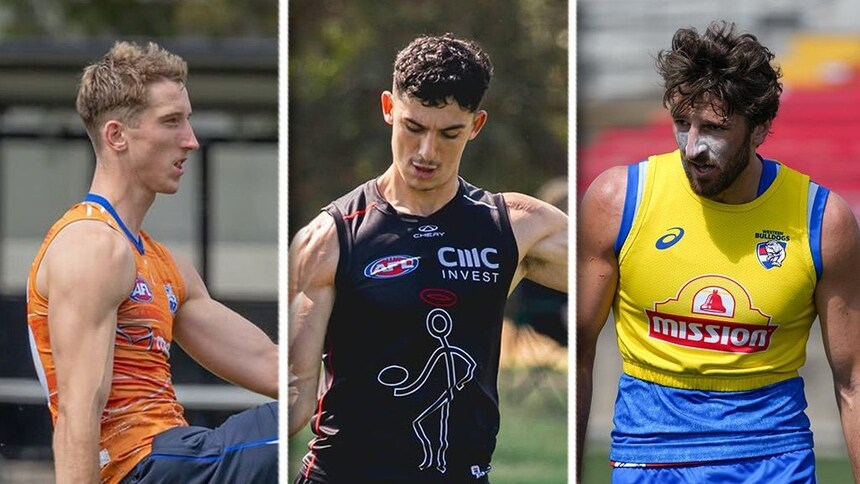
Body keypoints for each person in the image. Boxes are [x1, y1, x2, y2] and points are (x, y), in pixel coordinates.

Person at [577, 20, 860, 482]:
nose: (692, 147)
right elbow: (580, 354)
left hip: (773, 462)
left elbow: (854, 381)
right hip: (649, 457)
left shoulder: (824, 222)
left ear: (761, 128)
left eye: (713, 128)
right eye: (680, 124)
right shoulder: (617, 201)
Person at [288, 34, 568, 483]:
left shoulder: (515, 227)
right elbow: (295, 395)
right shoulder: (331, 236)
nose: (426, 153)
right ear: (387, 109)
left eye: (449, 133)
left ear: (476, 125)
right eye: (413, 127)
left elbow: (623, 269)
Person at [26, 41, 279, 484]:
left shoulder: (167, 265)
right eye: (171, 122)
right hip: (143, 469)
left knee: (333, 412)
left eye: (189, 120)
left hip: (179, 459)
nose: (191, 140)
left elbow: (272, 366)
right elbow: (76, 413)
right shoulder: (92, 245)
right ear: (117, 135)